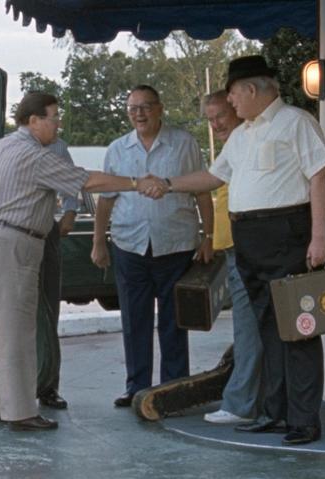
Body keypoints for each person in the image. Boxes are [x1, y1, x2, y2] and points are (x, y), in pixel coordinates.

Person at [144, 56, 325, 446]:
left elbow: (319, 176)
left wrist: (319, 237)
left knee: (299, 327)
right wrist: (168, 182)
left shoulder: (296, 122)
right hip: (249, 237)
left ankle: (304, 419)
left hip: (286, 232)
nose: (230, 101)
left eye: (232, 93)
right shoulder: (242, 134)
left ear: (250, 89)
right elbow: (214, 176)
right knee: (268, 328)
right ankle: (274, 412)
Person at [0, 91, 162, 431]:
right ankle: (20, 412)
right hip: (16, 241)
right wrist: (136, 182)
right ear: (34, 121)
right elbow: (87, 180)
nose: (58, 124)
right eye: (54, 117)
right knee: (18, 329)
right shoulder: (34, 156)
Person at [91, 85, 214, 408]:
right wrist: (98, 241)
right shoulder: (117, 149)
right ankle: (137, 387)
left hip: (176, 245)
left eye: (146, 107)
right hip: (129, 246)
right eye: (133, 108)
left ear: (160, 109)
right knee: (135, 321)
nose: (139, 114)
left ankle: (174, 388)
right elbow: (105, 200)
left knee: (175, 321)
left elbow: (203, 192)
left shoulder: (184, 144)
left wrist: (209, 236)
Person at [0, 139, 78, 411]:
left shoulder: (56, 148)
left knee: (46, 310)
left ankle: (47, 385)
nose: (55, 124)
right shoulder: (3, 146)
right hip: (9, 236)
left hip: (39, 232)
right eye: (51, 119)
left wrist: (70, 211)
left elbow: (72, 182)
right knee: (3, 320)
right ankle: (4, 400)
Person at [200, 90, 264, 425]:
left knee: (247, 327)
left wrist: (162, 184)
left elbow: (209, 181)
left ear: (237, 109)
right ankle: (254, 398)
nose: (215, 125)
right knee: (250, 326)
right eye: (210, 120)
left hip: (248, 247)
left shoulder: (248, 141)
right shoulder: (235, 144)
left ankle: (241, 404)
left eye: (221, 116)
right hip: (232, 248)